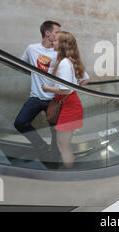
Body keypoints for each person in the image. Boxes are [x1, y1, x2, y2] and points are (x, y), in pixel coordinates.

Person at [13, 21, 65, 159]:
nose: (59, 35)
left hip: (54, 99)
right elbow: (21, 64)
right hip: (36, 96)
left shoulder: (60, 52)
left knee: (55, 131)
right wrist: (1, 57)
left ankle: (55, 156)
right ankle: (41, 145)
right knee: (20, 123)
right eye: (57, 32)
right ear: (47, 33)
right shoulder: (32, 49)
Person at [42, 31, 89, 169]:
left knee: (64, 144)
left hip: (68, 106)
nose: (53, 42)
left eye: (55, 41)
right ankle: (69, 168)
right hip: (69, 104)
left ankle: (69, 172)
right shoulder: (68, 61)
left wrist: (47, 88)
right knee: (62, 143)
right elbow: (86, 79)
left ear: (62, 45)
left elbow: (65, 89)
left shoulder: (64, 63)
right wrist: (75, 86)